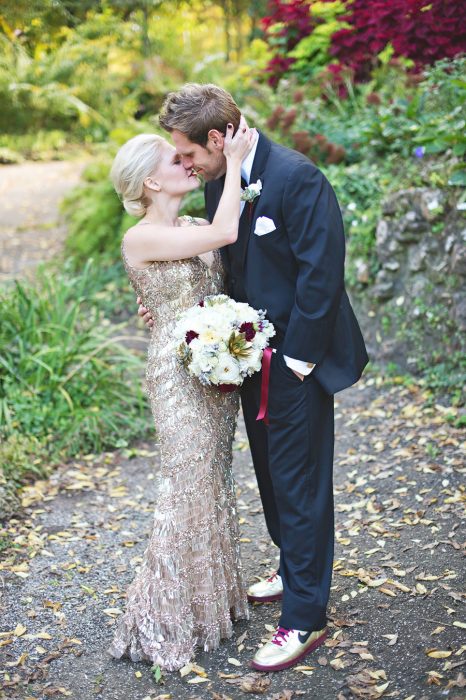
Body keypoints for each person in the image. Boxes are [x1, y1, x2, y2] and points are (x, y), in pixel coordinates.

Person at [138, 83, 369, 672]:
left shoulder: (297, 177)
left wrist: (298, 360)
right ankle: (294, 568)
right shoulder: (221, 176)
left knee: (299, 482)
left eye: (188, 153)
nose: (185, 164)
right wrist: (176, 311)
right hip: (245, 359)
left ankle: (305, 616)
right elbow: (226, 263)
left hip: (296, 363)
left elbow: (322, 275)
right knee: (270, 474)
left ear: (216, 139)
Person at [107, 119, 254, 671]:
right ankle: (161, 614)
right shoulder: (140, 235)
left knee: (212, 481)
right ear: (150, 183)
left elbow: (209, 274)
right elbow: (225, 235)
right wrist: (234, 161)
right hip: (175, 377)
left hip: (211, 370)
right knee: (184, 485)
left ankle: (206, 607)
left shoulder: (189, 220)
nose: (187, 164)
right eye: (175, 161)